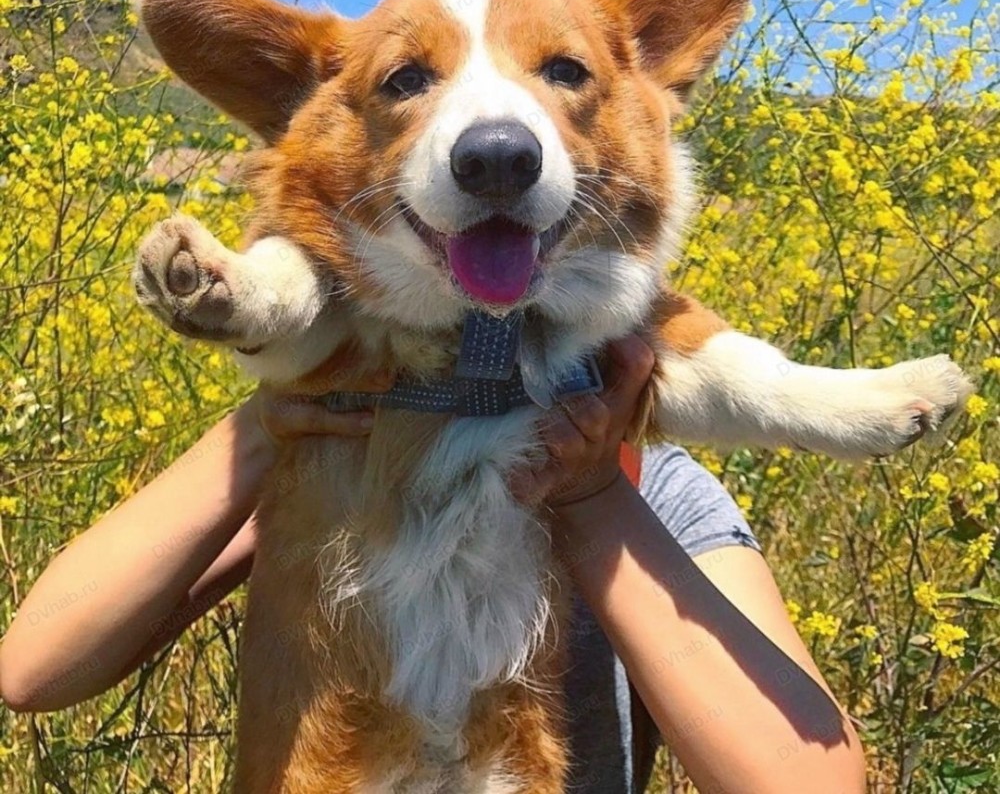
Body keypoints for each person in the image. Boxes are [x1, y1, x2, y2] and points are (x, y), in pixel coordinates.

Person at [0, 336, 865, 793]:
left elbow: (807, 782)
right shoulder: (340, 464)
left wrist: (593, 497)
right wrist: (268, 428)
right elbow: (35, 667)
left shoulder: (662, 497)